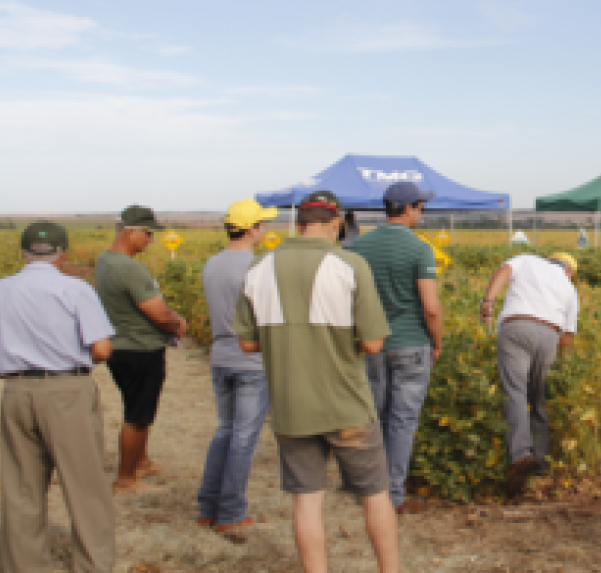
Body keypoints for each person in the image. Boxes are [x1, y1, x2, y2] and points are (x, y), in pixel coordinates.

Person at [234, 190, 399, 572]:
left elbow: (246, 342)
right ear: (335, 220)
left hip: (291, 407)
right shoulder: (350, 264)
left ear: (299, 221)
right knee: (375, 495)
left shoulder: (258, 268)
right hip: (347, 405)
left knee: (307, 500)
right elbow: (374, 343)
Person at [0, 222, 116, 572]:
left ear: (23, 252)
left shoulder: (3, 289)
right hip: (67, 390)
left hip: (16, 391)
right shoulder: (75, 289)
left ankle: (23, 566)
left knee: (20, 491)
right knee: (86, 488)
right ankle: (92, 565)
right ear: (62, 254)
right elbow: (102, 348)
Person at [349, 181, 444, 514]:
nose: (421, 213)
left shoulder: (358, 247)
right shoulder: (420, 249)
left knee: (373, 416)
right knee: (402, 421)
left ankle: (368, 489)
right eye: (420, 207)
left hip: (371, 345)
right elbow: (430, 306)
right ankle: (394, 496)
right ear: (408, 208)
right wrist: (437, 341)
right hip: (411, 343)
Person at [197, 199, 278, 536]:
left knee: (225, 431)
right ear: (251, 229)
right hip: (252, 360)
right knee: (244, 438)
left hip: (221, 356)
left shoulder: (212, 264)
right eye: (262, 224)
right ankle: (231, 513)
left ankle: (208, 506)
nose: (265, 230)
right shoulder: (259, 267)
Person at [96, 205, 187, 493]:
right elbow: (158, 314)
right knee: (137, 416)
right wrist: (178, 323)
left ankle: (142, 461)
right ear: (129, 231)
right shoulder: (130, 268)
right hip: (140, 350)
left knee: (139, 407)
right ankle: (125, 478)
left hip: (120, 345)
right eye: (147, 233)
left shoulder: (105, 260)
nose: (150, 239)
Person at [480, 251, 580, 498]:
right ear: (570, 271)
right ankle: (540, 464)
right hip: (549, 335)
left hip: (516, 325)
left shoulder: (528, 260)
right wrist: (561, 368)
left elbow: (503, 270)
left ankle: (521, 455)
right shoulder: (569, 287)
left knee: (514, 392)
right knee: (538, 398)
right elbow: (567, 338)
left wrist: (488, 301)